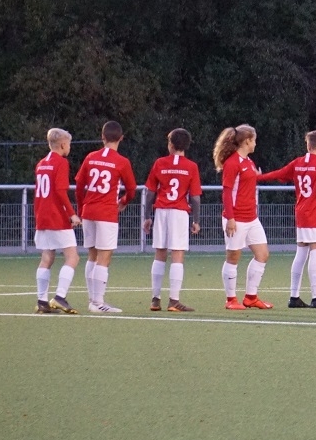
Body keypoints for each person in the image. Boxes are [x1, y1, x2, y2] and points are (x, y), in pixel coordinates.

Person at [258, 130, 316, 309]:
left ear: (308, 146)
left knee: (301, 253)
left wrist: (258, 177)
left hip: (300, 213)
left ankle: (294, 297)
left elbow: (278, 174)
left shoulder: (298, 162)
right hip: (314, 214)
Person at [75, 120, 137, 313]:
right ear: (121, 138)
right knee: (104, 257)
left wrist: (81, 209)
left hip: (89, 211)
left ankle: (92, 300)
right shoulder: (122, 161)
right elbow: (132, 189)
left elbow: (79, 186)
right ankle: (98, 302)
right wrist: (123, 201)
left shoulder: (90, 157)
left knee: (92, 256)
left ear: (102, 137)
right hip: (106, 213)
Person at [213, 124, 273, 310]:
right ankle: (231, 300)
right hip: (236, 219)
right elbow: (226, 192)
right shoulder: (232, 163)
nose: (255, 144)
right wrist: (230, 219)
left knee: (262, 255)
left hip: (251, 218)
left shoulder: (248, 162)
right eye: (254, 140)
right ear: (247, 141)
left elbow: (247, 181)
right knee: (233, 258)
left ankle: (251, 297)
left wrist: (257, 177)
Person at [143, 128, 202, 312]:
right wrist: (196, 220)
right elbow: (195, 197)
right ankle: (174, 301)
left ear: (170, 144)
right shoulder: (191, 166)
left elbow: (150, 192)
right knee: (177, 255)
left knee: (160, 253)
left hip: (161, 211)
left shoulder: (160, 163)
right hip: (179, 213)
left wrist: (147, 216)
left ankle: (155, 300)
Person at [33, 128, 81, 314]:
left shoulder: (41, 164)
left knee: (47, 258)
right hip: (56, 216)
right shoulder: (61, 162)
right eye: (68, 144)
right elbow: (60, 192)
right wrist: (72, 214)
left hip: (42, 216)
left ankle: (42, 301)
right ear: (62, 145)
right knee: (73, 257)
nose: (69, 147)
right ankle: (60, 297)